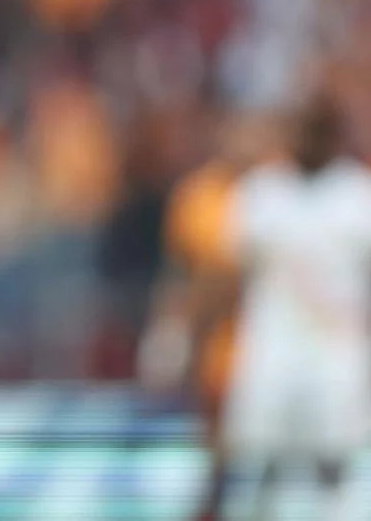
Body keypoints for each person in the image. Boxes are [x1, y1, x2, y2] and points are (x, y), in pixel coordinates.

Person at [222, 92, 371, 520]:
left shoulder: (359, 195)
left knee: (335, 463)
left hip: (337, 351)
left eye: (319, 131)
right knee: (260, 462)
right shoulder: (261, 193)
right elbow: (229, 275)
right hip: (272, 350)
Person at [138, 112, 267, 521]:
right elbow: (179, 272)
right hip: (217, 347)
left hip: (269, 347)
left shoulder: (276, 194)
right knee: (216, 457)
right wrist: (167, 331)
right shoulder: (199, 195)